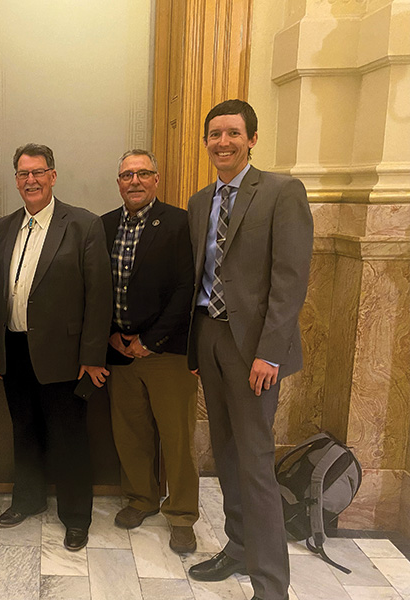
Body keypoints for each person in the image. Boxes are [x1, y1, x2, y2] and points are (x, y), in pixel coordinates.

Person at [185, 100, 313, 600]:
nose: (223, 142)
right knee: (226, 452)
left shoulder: (282, 191)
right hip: (211, 337)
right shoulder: (200, 202)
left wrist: (270, 353)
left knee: (255, 461)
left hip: (256, 349)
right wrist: (197, 348)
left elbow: (290, 279)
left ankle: (271, 584)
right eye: (215, 134)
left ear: (252, 139)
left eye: (233, 134)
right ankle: (238, 548)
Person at [0, 143, 112, 551]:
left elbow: (99, 297)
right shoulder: (3, 227)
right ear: (17, 180)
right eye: (23, 174)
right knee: (23, 431)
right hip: (14, 350)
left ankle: (76, 517)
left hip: (65, 356)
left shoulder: (83, 225)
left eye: (38, 172)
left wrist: (92, 357)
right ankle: (28, 499)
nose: (31, 180)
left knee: (68, 437)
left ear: (53, 176)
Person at [101, 149, 199, 553]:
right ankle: (141, 498)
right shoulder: (103, 225)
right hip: (119, 350)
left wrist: (150, 340)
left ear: (156, 179)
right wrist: (110, 335)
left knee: (177, 439)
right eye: (127, 175)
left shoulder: (179, 223)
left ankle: (182, 515)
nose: (135, 181)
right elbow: (95, 285)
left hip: (167, 353)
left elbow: (185, 289)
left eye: (143, 174)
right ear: (119, 182)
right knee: (131, 432)